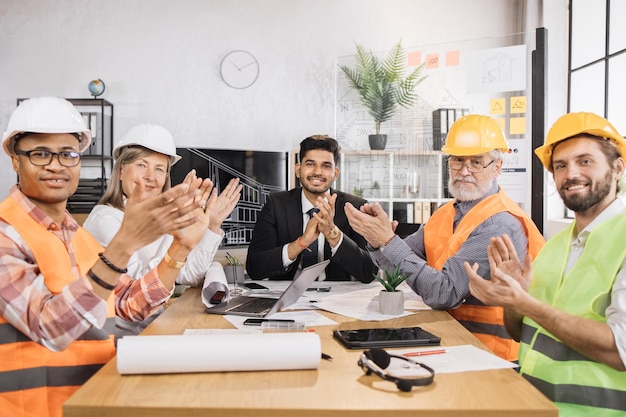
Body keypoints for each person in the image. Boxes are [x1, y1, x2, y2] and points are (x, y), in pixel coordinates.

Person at [0, 97, 208, 417]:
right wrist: (122, 247)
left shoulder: (78, 237)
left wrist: (180, 247)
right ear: (15, 159)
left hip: (95, 401)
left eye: (68, 154)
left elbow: (129, 305)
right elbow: (51, 327)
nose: (56, 165)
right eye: (40, 154)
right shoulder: (6, 234)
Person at [345, 114, 545, 361]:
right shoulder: (446, 213)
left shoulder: (500, 222)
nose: (464, 171)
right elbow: (395, 267)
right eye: (458, 161)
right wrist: (376, 237)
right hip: (451, 340)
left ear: (497, 167)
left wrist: (388, 240)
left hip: (489, 355)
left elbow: (444, 293)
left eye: (476, 162)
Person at [466, 112, 626, 416]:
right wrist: (513, 298)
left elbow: (620, 349)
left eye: (585, 161)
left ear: (617, 167)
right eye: (561, 166)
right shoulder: (556, 246)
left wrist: (526, 304)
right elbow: (520, 333)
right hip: (534, 406)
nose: (571, 174)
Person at [83, 123, 242, 338]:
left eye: (159, 169)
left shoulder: (158, 215)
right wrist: (175, 232)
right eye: (141, 165)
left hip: (155, 328)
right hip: (125, 341)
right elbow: (138, 290)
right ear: (121, 170)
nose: (151, 176)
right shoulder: (106, 220)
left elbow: (188, 275)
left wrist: (213, 224)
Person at [246, 135, 377, 282]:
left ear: (335, 173)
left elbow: (369, 273)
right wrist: (301, 243)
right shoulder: (276, 204)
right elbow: (255, 268)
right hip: (285, 296)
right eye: (310, 164)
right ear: (298, 169)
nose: (317, 172)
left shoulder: (354, 207)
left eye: (326, 166)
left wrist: (332, 233)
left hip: (335, 297)